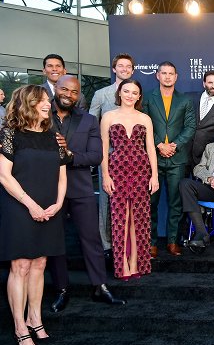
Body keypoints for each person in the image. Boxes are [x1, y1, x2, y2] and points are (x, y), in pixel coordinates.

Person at [49, 75, 126, 312]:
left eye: (74, 92)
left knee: (91, 240)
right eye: (64, 90)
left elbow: (96, 156)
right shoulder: (41, 115)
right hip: (49, 189)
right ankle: (61, 289)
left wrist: (70, 155)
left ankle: (99, 286)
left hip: (81, 188)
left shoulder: (89, 120)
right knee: (56, 241)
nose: (68, 95)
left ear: (79, 94)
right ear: (55, 89)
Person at [0, 85, 67, 345]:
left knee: (40, 264)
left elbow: (63, 175)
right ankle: (19, 326)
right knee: (21, 266)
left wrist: (58, 203)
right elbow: (4, 176)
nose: (47, 104)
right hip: (19, 206)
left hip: (50, 207)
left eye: (46, 101)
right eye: (40, 100)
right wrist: (30, 205)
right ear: (27, 103)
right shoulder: (9, 134)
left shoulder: (54, 136)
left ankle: (35, 319)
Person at [100, 78, 159, 279]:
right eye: (126, 91)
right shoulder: (108, 116)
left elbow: (150, 148)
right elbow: (103, 149)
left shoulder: (145, 118)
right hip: (116, 171)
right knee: (119, 219)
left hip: (141, 171)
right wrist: (105, 175)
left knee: (139, 220)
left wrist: (155, 176)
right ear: (120, 93)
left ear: (139, 96)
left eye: (134, 92)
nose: (130, 95)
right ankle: (122, 266)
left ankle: (136, 264)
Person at [143, 61, 196, 257]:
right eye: (163, 73)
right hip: (152, 158)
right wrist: (159, 145)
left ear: (176, 77)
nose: (167, 76)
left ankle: (173, 241)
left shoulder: (185, 100)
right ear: (157, 75)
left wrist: (174, 145)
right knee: (150, 203)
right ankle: (151, 243)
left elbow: (190, 127)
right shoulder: (147, 97)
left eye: (170, 73)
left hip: (177, 158)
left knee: (176, 202)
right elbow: (144, 124)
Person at [89, 53, 135, 255]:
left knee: (130, 201)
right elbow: (91, 123)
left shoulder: (136, 92)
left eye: (128, 67)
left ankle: (125, 241)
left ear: (132, 70)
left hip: (133, 158)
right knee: (107, 200)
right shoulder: (101, 94)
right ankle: (107, 244)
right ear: (114, 69)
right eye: (121, 66)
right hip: (108, 155)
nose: (124, 69)